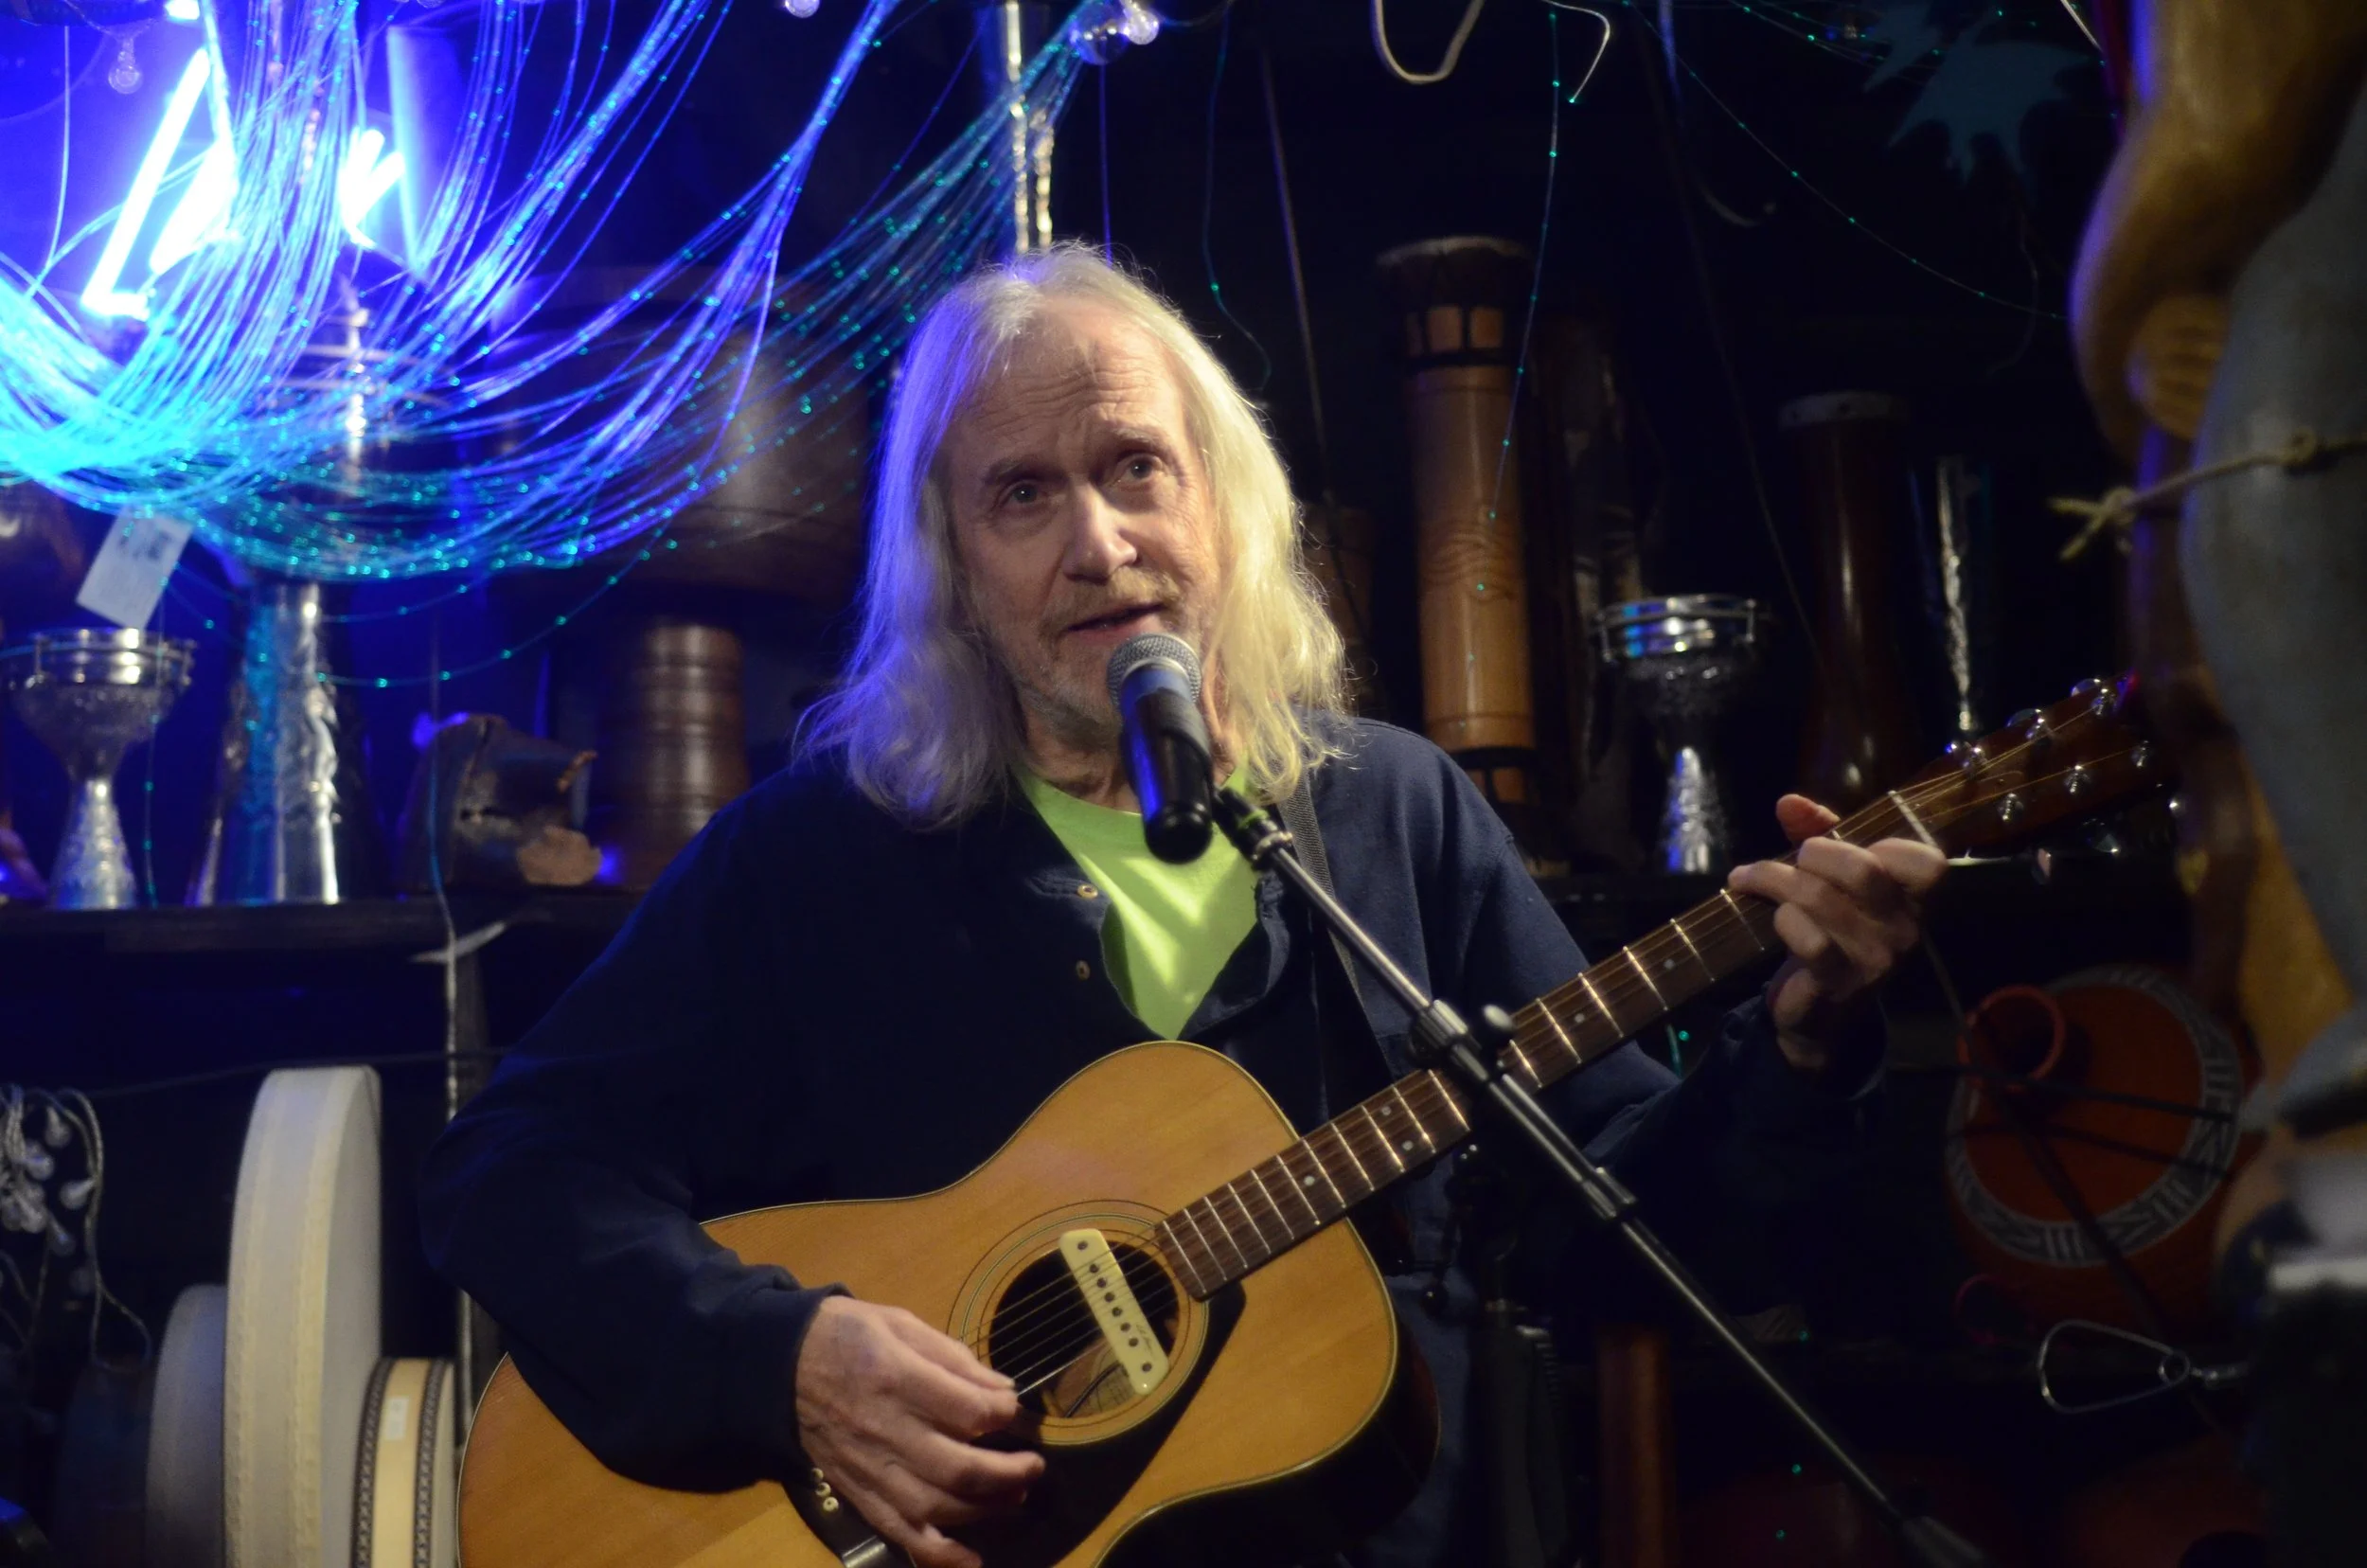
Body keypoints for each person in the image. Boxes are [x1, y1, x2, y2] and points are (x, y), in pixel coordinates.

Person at [418, 244, 1946, 1568]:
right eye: (1024, 495)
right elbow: (512, 1166)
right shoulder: (815, 857)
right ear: (954, 568)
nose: (1101, 545)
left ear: (1225, 501)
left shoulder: (1391, 812)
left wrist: (1802, 1040)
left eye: (1135, 466)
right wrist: (785, 1360)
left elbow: (1625, 1228)